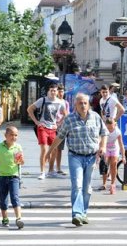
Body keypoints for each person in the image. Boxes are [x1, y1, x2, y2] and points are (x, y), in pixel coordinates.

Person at [46, 93, 108, 226]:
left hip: (91, 157)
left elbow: (104, 133)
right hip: (75, 157)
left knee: (86, 188)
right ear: (75, 105)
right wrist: (49, 151)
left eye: (85, 103)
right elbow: (60, 137)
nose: (83, 105)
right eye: (80, 103)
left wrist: (102, 146)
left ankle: (84, 213)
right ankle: (77, 214)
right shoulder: (69, 119)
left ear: (89, 104)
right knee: (77, 185)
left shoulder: (96, 117)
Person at [0, 126, 25, 229]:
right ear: (6, 135)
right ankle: (5, 218)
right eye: (11, 134)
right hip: (2, 177)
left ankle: (18, 218)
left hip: (14, 176)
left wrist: (21, 160)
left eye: (16, 135)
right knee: (3, 200)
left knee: (15, 197)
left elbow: (21, 162)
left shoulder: (18, 147)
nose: (14, 137)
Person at [27, 83, 67, 180]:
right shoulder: (43, 100)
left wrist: (58, 123)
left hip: (53, 128)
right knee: (44, 150)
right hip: (42, 127)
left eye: (55, 90)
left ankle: (51, 170)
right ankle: (42, 172)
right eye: (51, 90)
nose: (53, 92)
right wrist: (37, 122)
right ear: (48, 91)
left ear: (57, 91)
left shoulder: (60, 102)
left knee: (54, 150)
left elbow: (66, 114)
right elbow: (30, 109)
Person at [99, 118, 126, 194]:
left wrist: (123, 156)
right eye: (108, 128)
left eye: (112, 127)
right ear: (106, 126)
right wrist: (98, 154)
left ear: (115, 125)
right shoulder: (104, 130)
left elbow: (121, 145)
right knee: (104, 165)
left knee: (113, 164)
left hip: (114, 148)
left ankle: (112, 184)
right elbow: (100, 142)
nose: (110, 129)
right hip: (106, 148)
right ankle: (104, 184)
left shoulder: (117, 132)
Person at [51, 84, 70, 176]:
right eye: (59, 91)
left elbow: (67, 115)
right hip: (52, 127)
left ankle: (58, 167)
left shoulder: (65, 103)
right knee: (52, 147)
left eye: (62, 91)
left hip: (62, 128)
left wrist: (60, 122)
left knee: (59, 149)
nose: (60, 93)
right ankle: (51, 167)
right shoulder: (53, 101)